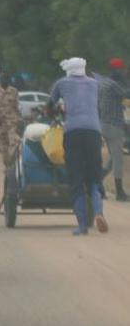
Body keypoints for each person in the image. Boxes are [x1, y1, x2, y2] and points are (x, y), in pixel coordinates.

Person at [49, 57, 109, 235]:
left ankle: (82, 225)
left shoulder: (61, 83)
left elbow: (50, 105)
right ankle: (98, 213)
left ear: (68, 70)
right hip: (93, 132)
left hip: (73, 132)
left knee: (76, 180)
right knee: (94, 178)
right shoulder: (94, 83)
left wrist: (54, 113)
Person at [97, 58, 129, 201]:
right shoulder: (113, 85)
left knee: (112, 158)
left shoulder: (103, 83)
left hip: (103, 123)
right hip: (114, 125)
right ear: (115, 71)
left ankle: (97, 183)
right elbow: (126, 94)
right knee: (118, 160)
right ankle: (120, 192)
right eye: (122, 70)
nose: (123, 72)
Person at [0, 75, 22, 166]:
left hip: (13, 122)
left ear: (8, 80)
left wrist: (20, 118)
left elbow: (17, 106)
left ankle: (14, 163)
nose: (4, 81)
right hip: (1, 123)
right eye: (2, 79)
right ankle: (8, 166)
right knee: (4, 146)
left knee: (14, 142)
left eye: (6, 79)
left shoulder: (14, 91)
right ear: (0, 81)